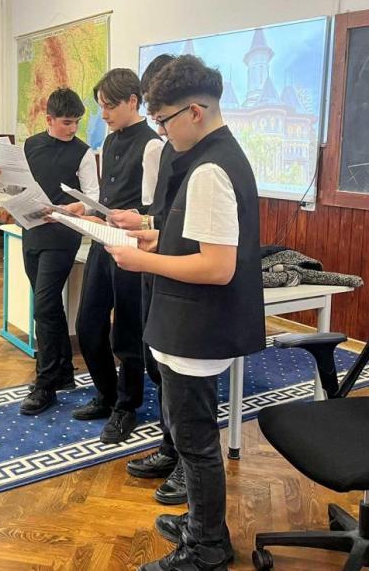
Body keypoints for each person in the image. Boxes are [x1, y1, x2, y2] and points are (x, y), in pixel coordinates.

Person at [107, 56, 265, 571]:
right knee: (190, 435)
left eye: (163, 121)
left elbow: (217, 266)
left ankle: (206, 548)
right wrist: (156, 236)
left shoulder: (210, 169)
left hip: (197, 327)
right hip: (190, 323)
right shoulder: (213, 157)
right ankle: (202, 522)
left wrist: (142, 260)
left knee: (195, 444)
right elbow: (197, 239)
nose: (161, 131)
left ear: (195, 111)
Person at [0, 88, 99, 416]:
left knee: (44, 305)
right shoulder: (31, 145)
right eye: (66, 122)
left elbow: (93, 197)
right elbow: (15, 187)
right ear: (49, 119)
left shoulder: (83, 152)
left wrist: (70, 209)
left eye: (76, 122)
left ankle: (45, 383)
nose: (72, 128)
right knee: (48, 306)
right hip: (31, 229)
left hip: (63, 234)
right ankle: (63, 371)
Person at [71, 68, 163, 445]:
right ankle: (107, 394)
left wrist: (131, 220)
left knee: (127, 331)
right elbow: (109, 199)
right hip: (103, 241)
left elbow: (154, 209)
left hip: (134, 247)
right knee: (88, 323)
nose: (104, 114)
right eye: (101, 107)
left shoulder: (153, 146)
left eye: (109, 106)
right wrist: (88, 211)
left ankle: (127, 405)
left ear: (132, 101)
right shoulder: (108, 142)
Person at [117, 55, 190, 504]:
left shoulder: (205, 159)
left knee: (183, 380)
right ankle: (169, 445)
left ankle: (186, 461)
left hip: (181, 277)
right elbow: (163, 216)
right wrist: (140, 223)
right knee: (157, 365)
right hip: (156, 267)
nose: (158, 125)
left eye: (161, 115)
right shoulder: (164, 151)